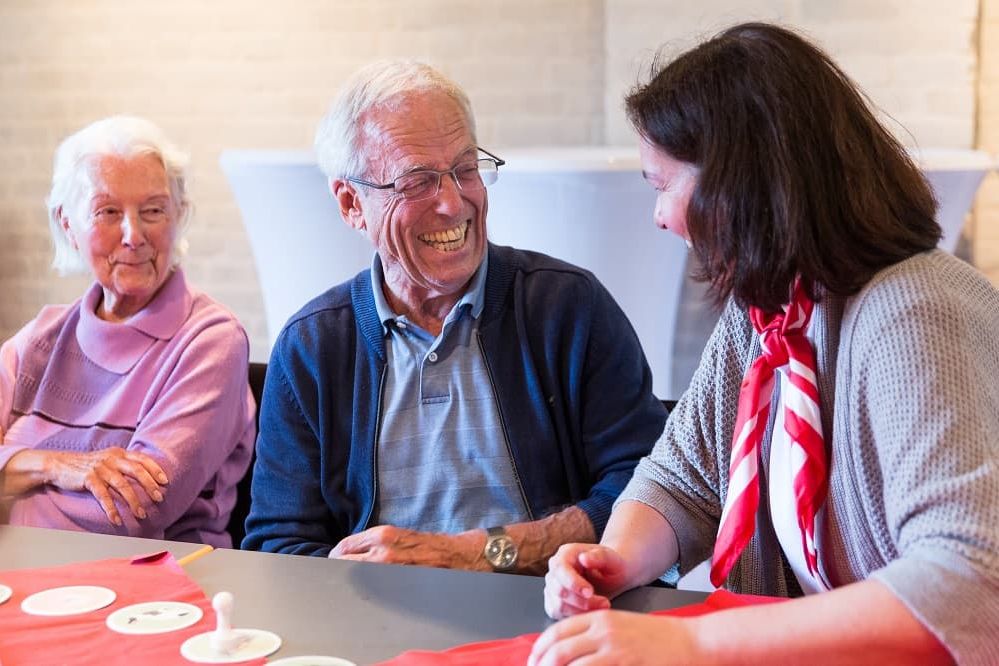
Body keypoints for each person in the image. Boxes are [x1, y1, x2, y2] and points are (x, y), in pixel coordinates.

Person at [533, 22, 998, 665]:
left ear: (739, 185)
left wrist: (690, 641)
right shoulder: (771, 310)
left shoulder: (915, 313)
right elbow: (682, 479)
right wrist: (611, 562)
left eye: (663, 184)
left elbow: (969, 581)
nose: (660, 216)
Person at [242, 61, 667, 574]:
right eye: (417, 181)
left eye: (466, 169)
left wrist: (481, 554)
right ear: (352, 204)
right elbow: (279, 545)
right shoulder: (312, 346)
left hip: (548, 614)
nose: (452, 202)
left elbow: (647, 488)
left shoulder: (567, 308)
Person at [0, 116, 255, 548]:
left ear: (179, 216)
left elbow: (134, 513)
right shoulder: (42, 337)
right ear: (68, 224)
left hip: (154, 596)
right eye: (108, 212)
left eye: (153, 210)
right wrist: (53, 466)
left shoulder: (210, 341)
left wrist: (10, 493)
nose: (133, 235)